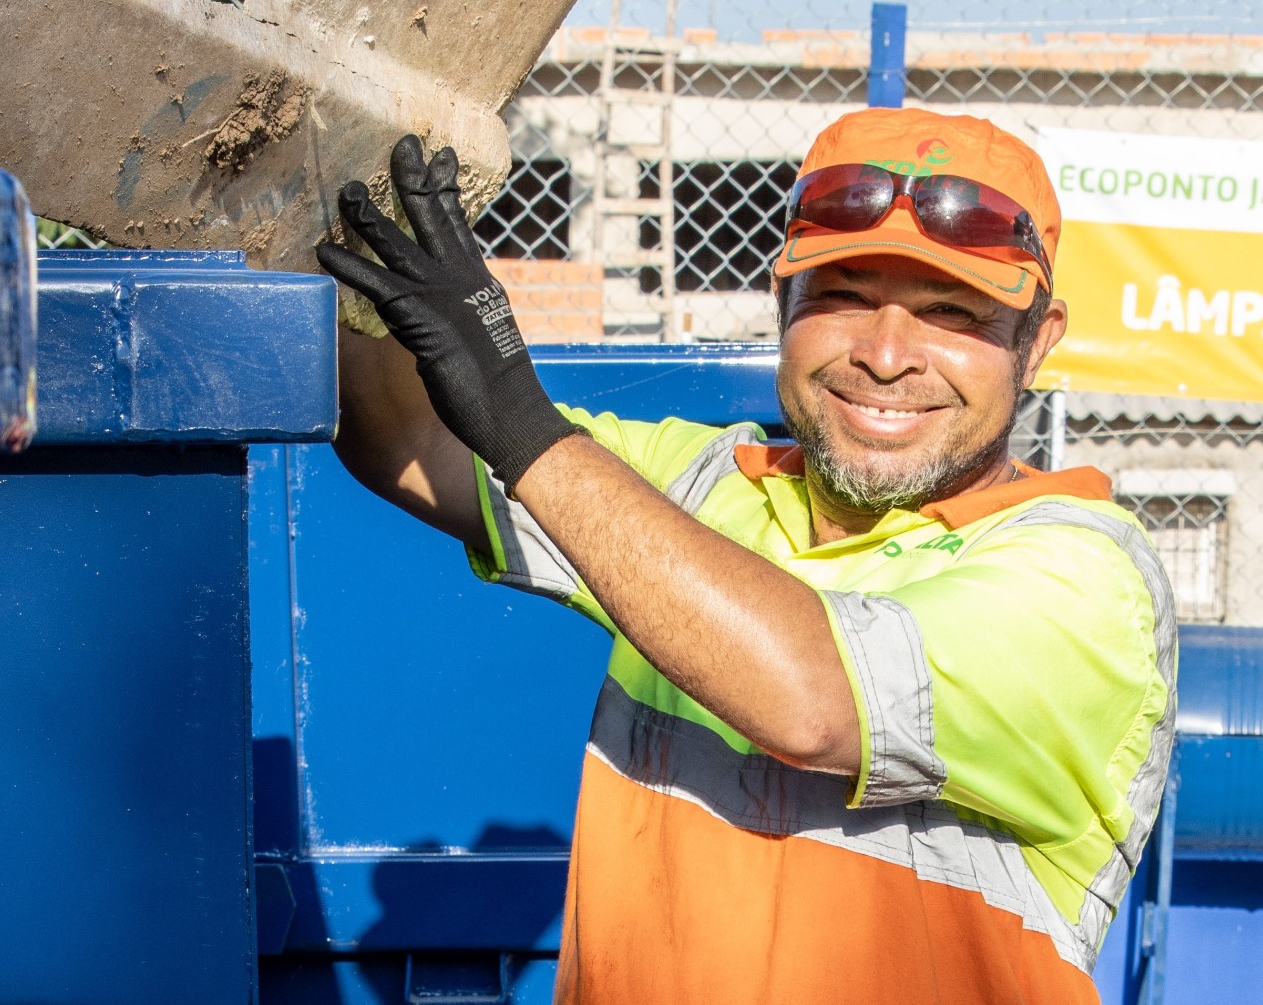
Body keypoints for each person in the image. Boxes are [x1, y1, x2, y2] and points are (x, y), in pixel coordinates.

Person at [316, 107, 1174, 1004]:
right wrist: (329, 205)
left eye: (950, 312)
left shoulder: (1085, 578)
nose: (885, 355)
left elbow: (813, 700)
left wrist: (517, 416)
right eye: (842, 294)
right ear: (782, 301)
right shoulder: (702, 486)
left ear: (1037, 342)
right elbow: (408, 437)